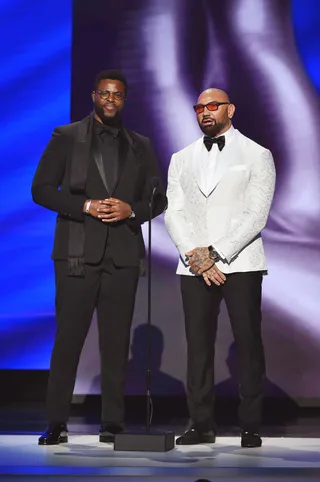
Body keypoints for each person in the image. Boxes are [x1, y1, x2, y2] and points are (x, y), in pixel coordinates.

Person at [32, 70, 167, 445]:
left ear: (125, 100)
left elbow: (159, 198)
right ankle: (56, 422)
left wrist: (132, 211)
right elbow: (41, 190)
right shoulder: (66, 136)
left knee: (115, 342)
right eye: (105, 93)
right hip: (77, 255)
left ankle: (113, 423)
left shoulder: (141, 144)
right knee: (68, 340)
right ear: (94, 96)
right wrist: (87, 205)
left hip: (122, 256)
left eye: (118, 95)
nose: (111, 100)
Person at [164, 88, 275, 447]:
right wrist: (194, 255)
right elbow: (173, 212)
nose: (205, 112)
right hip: (194, 266)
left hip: (240, 262)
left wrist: (215, 253)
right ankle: (200, 424)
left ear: (230, 109)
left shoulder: (257, 154)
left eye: (213, 106)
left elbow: (256, 215)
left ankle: (250, 425)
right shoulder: (181, 158)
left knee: (248, 343)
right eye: (200, 107)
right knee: (197, 346)